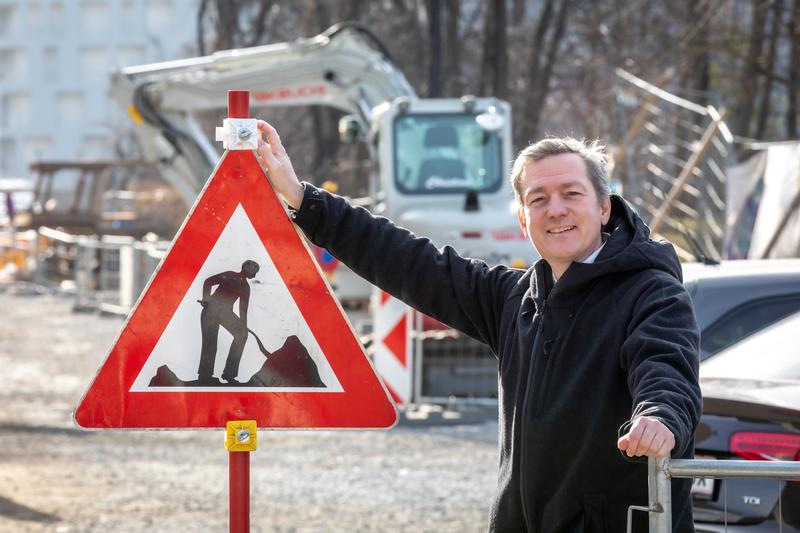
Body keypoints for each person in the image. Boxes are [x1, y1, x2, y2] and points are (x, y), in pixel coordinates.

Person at [255, 120, 702, 532]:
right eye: (539, 199)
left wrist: (660, 417)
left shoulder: (652, 293)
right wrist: (300, 198)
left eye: (572, 193)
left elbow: (667, 370)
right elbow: (408, 260)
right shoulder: (514, 299)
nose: (556, 210)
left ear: (605, 208)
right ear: (523, 220)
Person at [197, 260, 259, 385]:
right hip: (213, 310)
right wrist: (206, 299)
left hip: (218, 312)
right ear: (249, 270)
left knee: (239, 335)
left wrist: (206, 299)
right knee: (211, 343)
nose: (255, 275)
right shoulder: (239, 282)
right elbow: (243, 310)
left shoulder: (239, 282)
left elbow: (243, 309)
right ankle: (210, 376)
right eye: (255, 271)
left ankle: (224, 374)